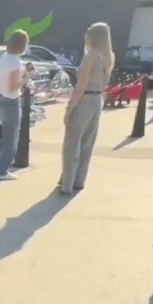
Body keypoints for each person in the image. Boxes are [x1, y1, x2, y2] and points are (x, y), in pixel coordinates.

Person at [59, 23, 114, 196]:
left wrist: (70, 108)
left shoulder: (90, 57)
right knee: (86, 144)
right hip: (97, 101)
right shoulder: (108, 57)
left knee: (71, 144)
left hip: (84, 101)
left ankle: (66, 185)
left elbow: (81, 87)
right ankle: (78, 181)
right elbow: (104, 84)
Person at [0, 30, 37, 180]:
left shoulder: (5, 58)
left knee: (8, 136)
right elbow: (13, 87)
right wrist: (28, 77)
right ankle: (2, 171)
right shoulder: (15, 62)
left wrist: (23, 73)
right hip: (11, 101)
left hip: (2, 99)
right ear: (22, 45)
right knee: (12, 141)